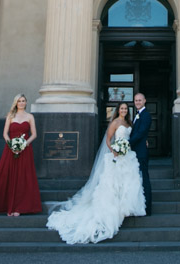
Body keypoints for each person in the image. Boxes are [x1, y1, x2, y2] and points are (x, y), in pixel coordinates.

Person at [46, 102, 145, 244]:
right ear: (118, 110)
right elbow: (108, 139)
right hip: (117, 156)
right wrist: (114, 151)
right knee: (113, 184)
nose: (123, 110)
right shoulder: (115, 123)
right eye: (121, 108)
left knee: (128, 182)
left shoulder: (128, 123)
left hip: (128, 156)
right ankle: (114, 210)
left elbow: (131, 137)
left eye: (125, 108)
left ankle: (126, 208)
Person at [0, 93, 42, 216]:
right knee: (8, 176)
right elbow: (5, 134)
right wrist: (12, 145)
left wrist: (24, 144)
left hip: (25, 150)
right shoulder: (10, 116)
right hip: (10, 150)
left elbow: (34, 134)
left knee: (23, 177)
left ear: (26, 102)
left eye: (23, 101)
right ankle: (8, 206)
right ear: (16, 103)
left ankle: (20, 207)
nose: (21, 103)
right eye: (19, 101)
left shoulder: (30, 116)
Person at [128, 92, 152, 216]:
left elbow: (141, 132)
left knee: (144, 178)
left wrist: (128, 143)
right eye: (136, 100)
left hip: (141, 152)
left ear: (144, 101)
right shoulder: (137, 114)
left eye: (140, 100)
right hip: (135, 151)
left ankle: (148, 208)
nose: (137, 102)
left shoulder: (146, 115)